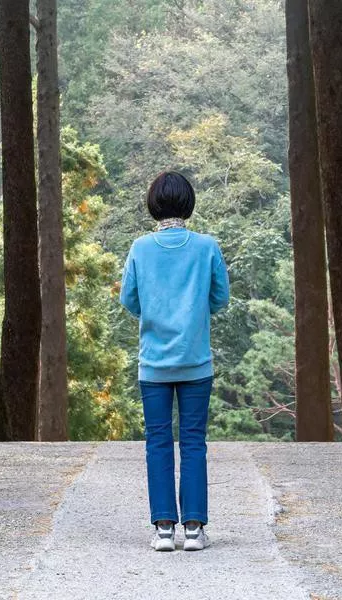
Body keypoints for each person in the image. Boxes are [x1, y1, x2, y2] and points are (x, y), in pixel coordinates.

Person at [119, 171, 230, 552]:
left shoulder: (140, 248)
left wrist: (156, 312)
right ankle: (195, 529)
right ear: (188, 203)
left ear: (153, 205)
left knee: (158, 442)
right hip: (196, 361)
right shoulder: (207, 247)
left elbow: (129, 300)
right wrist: (193, 312)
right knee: (194, 442)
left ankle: (164, 528)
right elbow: (220, 298)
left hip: (153, 364)